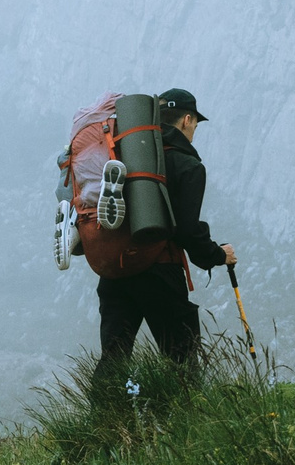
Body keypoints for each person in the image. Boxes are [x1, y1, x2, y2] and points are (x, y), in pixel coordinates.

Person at [93, 87, 235, 388]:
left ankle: (105, 415)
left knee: (114, 359)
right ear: (187, 119)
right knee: (181, 360)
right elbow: (187, 231)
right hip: (159, 271)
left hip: (115, 268)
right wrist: (218, 255)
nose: (194, 130)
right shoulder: (187, 165)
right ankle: (184, 413)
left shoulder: (128, 152)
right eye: (195, 123)